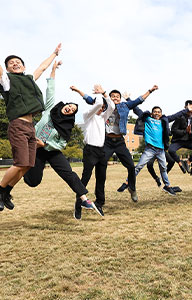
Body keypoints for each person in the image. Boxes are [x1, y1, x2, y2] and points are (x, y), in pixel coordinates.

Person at [23, 61, 95, 219]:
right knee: (33, 181)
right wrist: (54, 70)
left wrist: (46, 144)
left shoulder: (67, 127)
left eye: (73, 110)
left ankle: (83, 199)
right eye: (70, 105)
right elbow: (51, 90)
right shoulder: (49, 110)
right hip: (36, 150)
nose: (70, 108)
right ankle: (22, 170)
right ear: (65, 105)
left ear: (71, 115)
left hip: (52, 151)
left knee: (69, 173)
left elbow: (61, 144)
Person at [0, 43, 61, 212]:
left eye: (17, 61)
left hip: (30, 127)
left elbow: (42, 68)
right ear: (7, 69)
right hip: (18, 125)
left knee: (28, 165)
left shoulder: (29, 79)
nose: (14, 63)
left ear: (24, 66)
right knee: (20, 163)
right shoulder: (7, 81)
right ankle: (0, 190)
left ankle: (6, 193)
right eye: (10, 63)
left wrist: (54, 53)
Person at [118, 102, 192, 197]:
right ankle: (127, 183)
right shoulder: (147, 119)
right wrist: (129, 99)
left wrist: (187, 110)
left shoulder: (164, 120)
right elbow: (137, 109)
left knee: (163, 168)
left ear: (161, 113)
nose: (157, 113)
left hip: (161, 150)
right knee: (139, 166)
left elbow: (176, 115)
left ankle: (167, 186)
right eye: (155, 112)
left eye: (158, 112)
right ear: (152, 113)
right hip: (149, 149)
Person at [103, 85, 158, 202]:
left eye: (117, 97)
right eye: (113, 97)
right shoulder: (104, 106)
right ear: (109, 98)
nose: (115, 98)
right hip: (106, 141)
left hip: (119, 142)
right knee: (101, 166)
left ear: (120, 99)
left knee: (131, 167)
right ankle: (100, 195)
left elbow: (139, 100)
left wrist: (150, 90)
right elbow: (90, 102)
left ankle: (132, 189)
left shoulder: (125, 105)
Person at [70, 84, 115, 218]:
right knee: (85, 178)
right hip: (90, 151)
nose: (101, 109)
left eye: (102, 108)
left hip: (101, 151)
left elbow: (111, 106)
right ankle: (78, 205)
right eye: (99, 107)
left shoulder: (103, 117)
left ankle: (100, 203)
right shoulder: (88, 115)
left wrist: (105, 93)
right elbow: (98, 104)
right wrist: (98, 95)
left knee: (101, 178)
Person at [168, 100, 192, 174]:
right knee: (171, 150)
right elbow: (173, 130)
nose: (191, 109)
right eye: (189, 107)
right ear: (185, 107)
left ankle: (188, 162)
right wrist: (185, 131)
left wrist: (191, 132)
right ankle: (180, 163)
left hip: (189, 141)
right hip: (178, 141)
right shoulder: (179, 117)